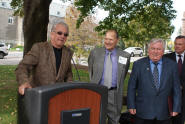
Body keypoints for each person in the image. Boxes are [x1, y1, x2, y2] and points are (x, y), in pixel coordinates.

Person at [15, 20, 73, 124]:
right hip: (38, 99)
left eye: (65, 34)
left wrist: (70, 86)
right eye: (59, 33)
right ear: (52, 34)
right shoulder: (39, 48)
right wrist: (24, 82)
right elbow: (22, 67)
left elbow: (68, 73)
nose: (62, 36)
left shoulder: (68, 53)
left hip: (58, 100)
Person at [127, 38, 181, 124]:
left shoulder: (172, 65)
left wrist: (176, 107)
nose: (155, 52)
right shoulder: (138, 64)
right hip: (143, 112)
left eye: (158, 49)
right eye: (153, 48)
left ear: (163, 51)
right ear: (148, 50)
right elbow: (131, 87)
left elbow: (176, 88)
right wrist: (131, 105)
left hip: (164, 113)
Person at [88, 30, 130, 124]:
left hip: (114, 94)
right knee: (95, 119)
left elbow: (122, 75)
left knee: (114, 120)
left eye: (111, 39)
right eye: (106, 39)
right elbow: (91, 71)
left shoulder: (125, 56)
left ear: (117, 40)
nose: (107, 42)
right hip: (97, 92)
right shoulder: (95, 53)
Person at [164, 35, 185, 124]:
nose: (176, 46)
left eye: (180, 44)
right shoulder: (166, 58)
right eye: (175, 44)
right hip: (168, 97)